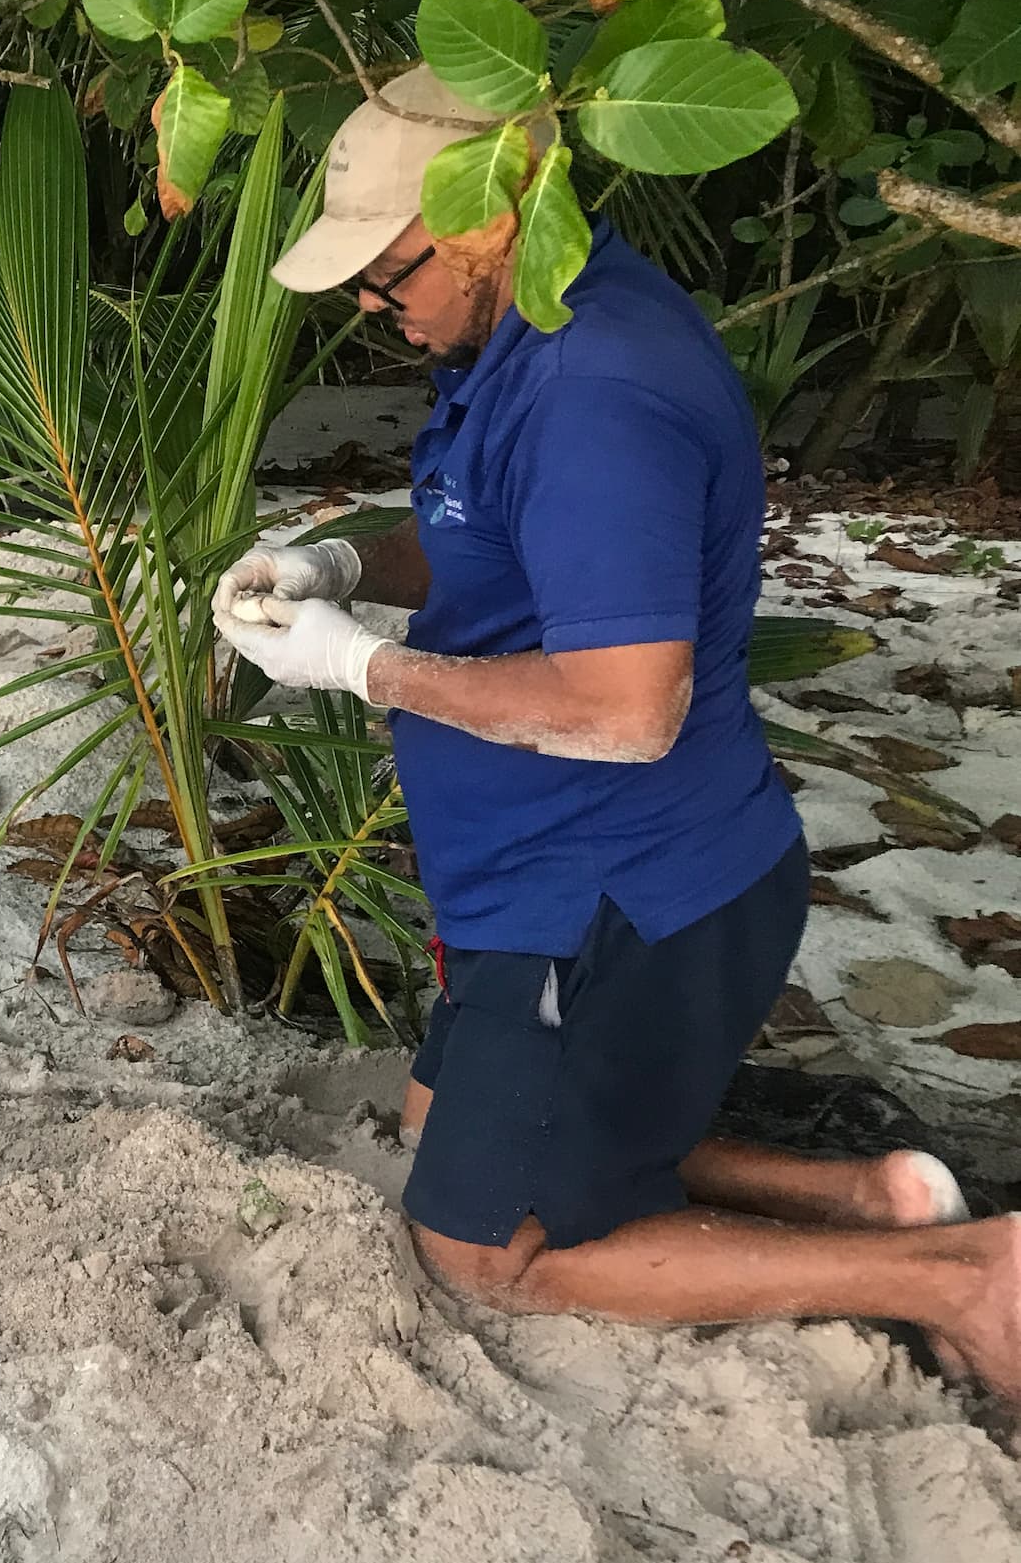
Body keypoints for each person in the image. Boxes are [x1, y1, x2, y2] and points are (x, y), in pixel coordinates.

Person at [213, 67, 1021, 1395]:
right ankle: (870, 1197)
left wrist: (361, 669)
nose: (372, 307)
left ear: (482, 224)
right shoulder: (531, 325)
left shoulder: (597, 392)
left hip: (617, 893)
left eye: (385, 275)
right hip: (542, 869)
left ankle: (958, 1275)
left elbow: (625, 711)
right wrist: (347, 571)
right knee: (438, 1114)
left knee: (481, 1241)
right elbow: (496, 534)